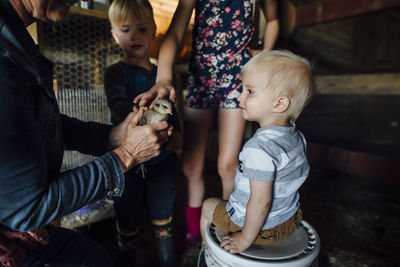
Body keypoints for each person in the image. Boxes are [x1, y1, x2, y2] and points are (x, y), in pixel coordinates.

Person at [0, 0, 173, 266]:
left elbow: (37, 123)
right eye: (127, 29)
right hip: (13, 236)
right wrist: (126, 155)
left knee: (96, 257)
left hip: (23, 224)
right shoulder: (5, 58)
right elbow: (28, 210)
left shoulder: (15, 39)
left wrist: (112, 136)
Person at [135, 0, 280, 246]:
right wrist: (163, 77)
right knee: (191, 166)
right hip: (201, 78)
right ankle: (194, 233)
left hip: (237, 79)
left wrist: (266, 50)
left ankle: (229, 229)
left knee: (227, 166)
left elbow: (274, 19)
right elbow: (176, 32)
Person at [200, 50, 315, 254]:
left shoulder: (258, 148)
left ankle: (209, 252)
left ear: (279, 104)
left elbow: (262, 201)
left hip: (260, 228)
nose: (239, 96)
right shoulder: (296, 136)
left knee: (208, 205)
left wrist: (244, 239)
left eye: (250, 91)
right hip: (288, 221)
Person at [104, 0, 182, 266]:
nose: (134, 36)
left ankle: (167, 260)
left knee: (164, 222)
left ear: (154, 30)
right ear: (114, 34)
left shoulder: (164, 76)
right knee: (126, 222)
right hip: (128, 164)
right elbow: (118, 107)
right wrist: (146, 115)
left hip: (163, 161)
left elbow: (174, 115)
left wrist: (176, 136)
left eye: (141, 28)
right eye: (126, 30)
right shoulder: (115, 73)